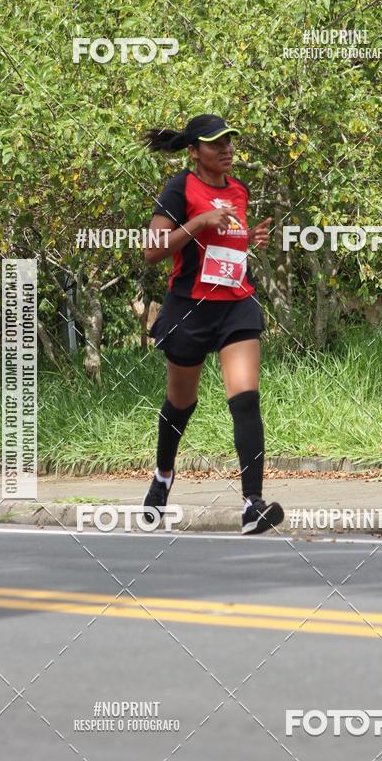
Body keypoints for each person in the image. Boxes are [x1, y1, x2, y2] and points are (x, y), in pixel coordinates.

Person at [141, 113, 284, 535]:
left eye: (230, 142)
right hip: (190, 308)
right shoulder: (181, 188)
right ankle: (163, 478)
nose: (227, 150)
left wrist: (246, 238)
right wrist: (199, 222)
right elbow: (153, 250)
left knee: (245, 399)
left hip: (235, 303)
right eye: (216, 143)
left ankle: (252, 505)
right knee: (180, 405)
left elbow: (226, 243)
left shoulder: (239, 189)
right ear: (193, 151)